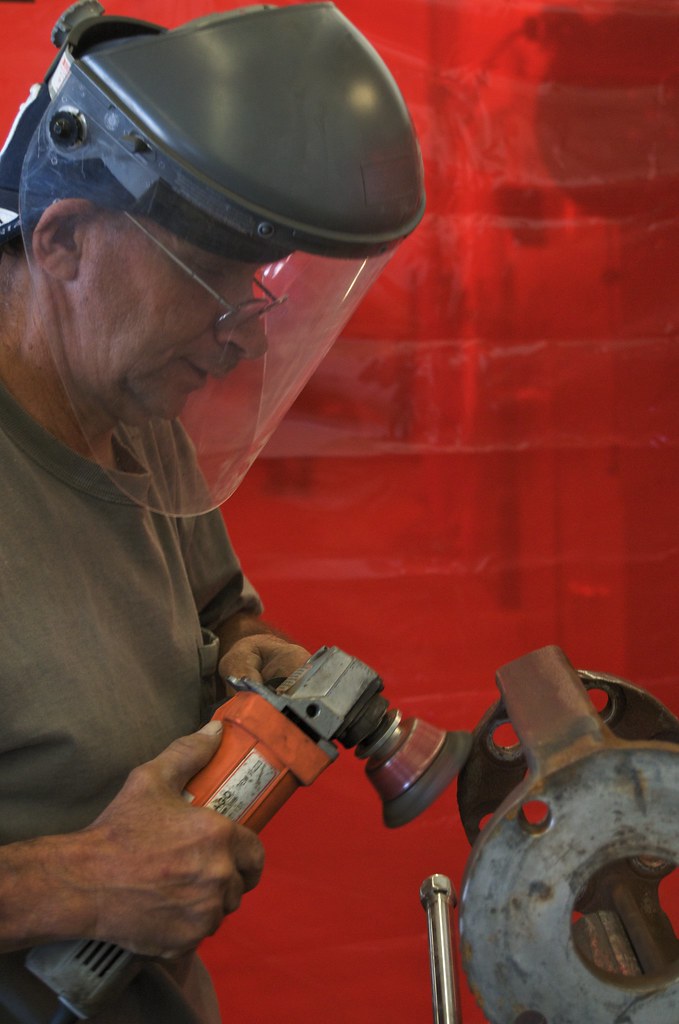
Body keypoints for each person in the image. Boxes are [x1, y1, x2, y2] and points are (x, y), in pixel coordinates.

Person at [0, 2, 424, 1022]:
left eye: (259, 290)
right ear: (63, 242)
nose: (240, 339)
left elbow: (218, 604)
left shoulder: (136, 408)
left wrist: (247, 649)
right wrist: (68, 884)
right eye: (213, 281)